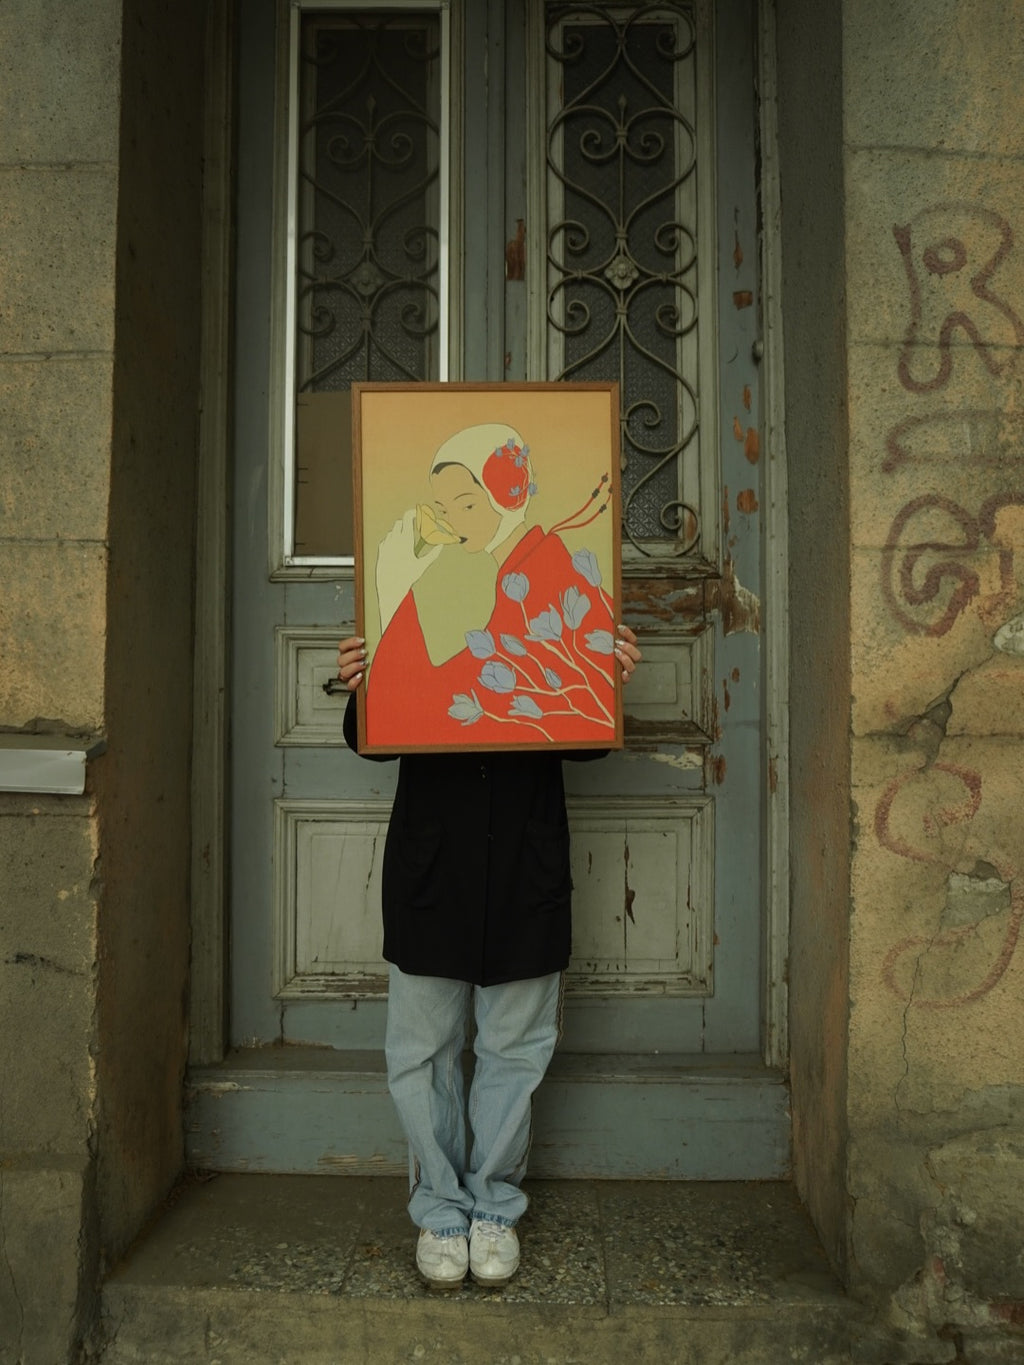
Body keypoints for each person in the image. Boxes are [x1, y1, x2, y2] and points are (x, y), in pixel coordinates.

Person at [336, 425, 641, 1292]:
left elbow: (585, 745)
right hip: (433, 855)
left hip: (524, 858)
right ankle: (438, 1209)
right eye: (440, 501)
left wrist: (605, 682)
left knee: (515, 1042)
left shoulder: (555, 570)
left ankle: (493, 1203)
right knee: (422, 1046)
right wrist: (368, 678)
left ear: (509, 491)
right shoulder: (415, 580)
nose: (450, 515)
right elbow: (373, 736)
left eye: (466, 498)